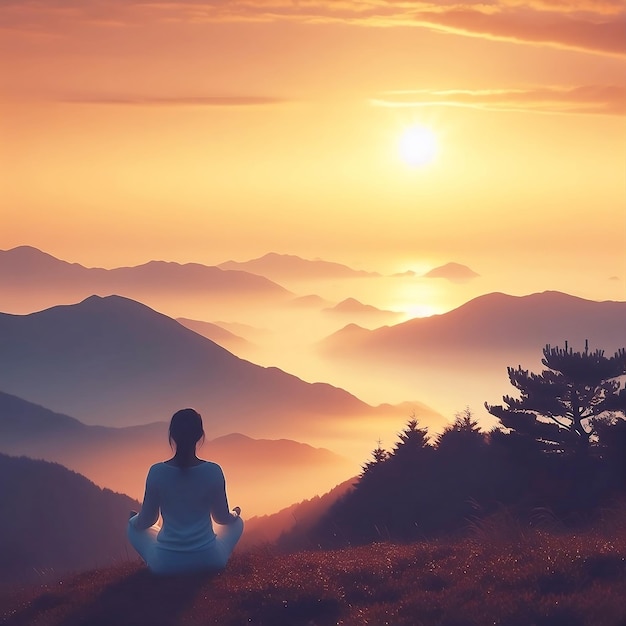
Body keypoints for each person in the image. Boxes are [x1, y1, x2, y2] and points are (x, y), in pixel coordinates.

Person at [127, 408, 243, 575]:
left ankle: (158, 558)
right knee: (238, 523)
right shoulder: (213, 471)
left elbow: (147, 521)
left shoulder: (157, 471)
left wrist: (134, 519)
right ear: (200, 435)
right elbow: (222, 518)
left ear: (172, 436)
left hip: (165, 564)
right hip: (209, 560)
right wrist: (234, 514)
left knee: (132, 528)